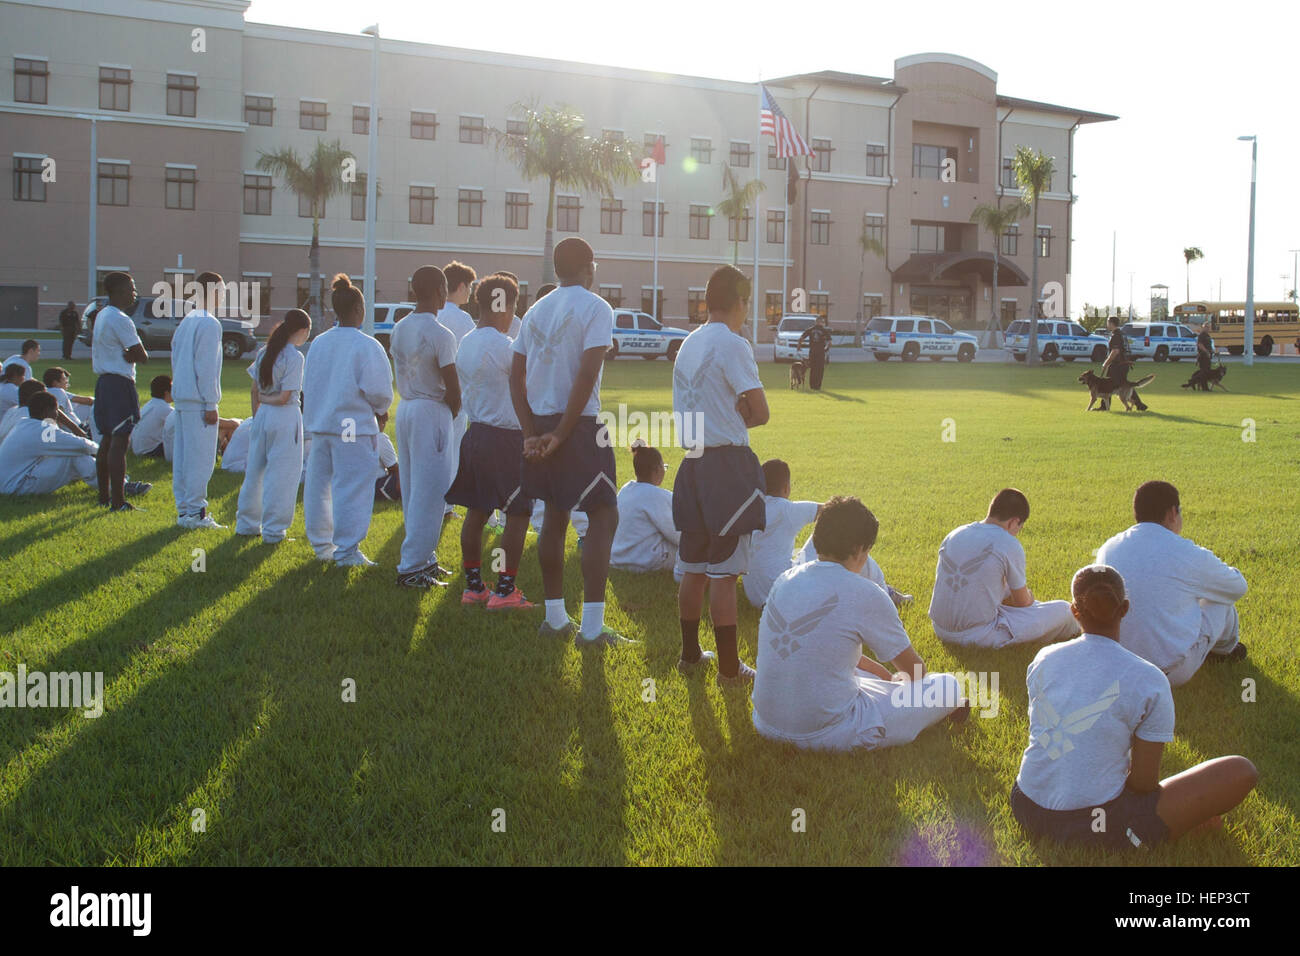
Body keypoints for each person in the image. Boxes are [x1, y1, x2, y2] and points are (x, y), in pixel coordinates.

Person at [1010, 565, 1257, 849]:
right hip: (1093, 826)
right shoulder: (1148, 678)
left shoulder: (1044, 657)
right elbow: (1143, 785)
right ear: (1125, 609)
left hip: (1026, 805)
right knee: (1241, 770)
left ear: (1074, 612)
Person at [752, 496, 967, 751]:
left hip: (766, 722)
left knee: (848, 673)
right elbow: (915, 672)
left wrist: (886, 678)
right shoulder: (864, 592)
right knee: (947, 685)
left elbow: (819, 651)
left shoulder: (785, 580)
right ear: (860, 549)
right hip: (829, 732)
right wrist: (900, 684)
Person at [510, 236, 628, 646]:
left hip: (541, 422)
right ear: (589, 267)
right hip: (579, 425)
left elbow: (515, 376)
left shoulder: (535, 310)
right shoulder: (597, 307)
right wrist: (561, 434)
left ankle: (555, 618)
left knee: (555, 515)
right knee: (604, 515)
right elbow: (586, 373)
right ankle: (592, 629)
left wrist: (530, 433)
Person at [672, 264, 770, 683]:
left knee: (694, 566)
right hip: (726, 466)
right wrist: (736, 416)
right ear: (742, 303)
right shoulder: (734, 344)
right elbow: (760, 412)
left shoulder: (687, 343)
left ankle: (690, 654)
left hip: (691, 463)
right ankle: (730, 669)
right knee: (725, 574)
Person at [1095, 481, 1248, 686]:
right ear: (1172, 513)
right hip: (1167, 672)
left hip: (1115, 665)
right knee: (1220, 601)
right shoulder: (1187, 553)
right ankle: (1225, 651)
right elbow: (1237, 587)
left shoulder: (1109, 547)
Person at [446, 273, 537, 609]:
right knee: (517, 514)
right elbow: (527, 383)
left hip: (476, 434)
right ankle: (505, 589)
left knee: (477, 510)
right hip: (504, 440)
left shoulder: (467, 340)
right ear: (503, 305)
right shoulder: (501, 346)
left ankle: (474, 587)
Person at [302, 274, 394, 566]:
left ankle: (322, 545)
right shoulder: (366, 345)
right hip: (352, 425)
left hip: (322, 425)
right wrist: (381, 411)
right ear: (358, 309)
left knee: (319, 488)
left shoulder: (318, 343)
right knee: (352, 487)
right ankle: (347, 551)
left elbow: (311, 384)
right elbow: (379, 391)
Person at [927, 488, 1079, 648]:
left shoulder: (955, 534)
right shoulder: (1008, 542)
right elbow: (1022, 603)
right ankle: (1086, 631)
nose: (1016, 533)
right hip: (979, 634)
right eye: (1019, 528)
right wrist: (1030, 598)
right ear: (1014, 522)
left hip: (940, 628)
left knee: (1002, 588)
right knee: (1065, 610)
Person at [390, 265, 461, 588]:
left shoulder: (399, 327)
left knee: (413, 486)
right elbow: (453, 388)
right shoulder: (440, 334)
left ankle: (424, 558)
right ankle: (413, 565)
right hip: (432, 410)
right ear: (438, 291)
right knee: (432, 490)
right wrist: (449, 413)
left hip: (405, 408)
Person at [236, 310, 309, 543]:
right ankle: (274, 530)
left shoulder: (264, 352)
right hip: (284, 416)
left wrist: (257, 413)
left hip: (262, 416)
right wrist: (267, 402)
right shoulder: (294, 357)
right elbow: (285, 396)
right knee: (283, 475)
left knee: (255, 471)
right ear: (302, 331)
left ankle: (247, 523)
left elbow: (254, 390)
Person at [91, 271, 150, 511]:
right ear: (117, 291)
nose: (134, 293)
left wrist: (129, 353)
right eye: (131, 288)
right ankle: (118, 502)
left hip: (104, 383)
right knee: (119, 441)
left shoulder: (102, 314)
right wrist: (132, 354)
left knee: (107, 439)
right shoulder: (120, 318)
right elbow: (142, 355)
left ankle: (104, 497)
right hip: (119, 384)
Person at [171, 271, 226, 528]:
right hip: (197, 400)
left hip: (182, 398)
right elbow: (206, 367)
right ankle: (196, 512)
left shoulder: (187, 321)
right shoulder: (209, 323)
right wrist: (210, 402)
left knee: (183, 458)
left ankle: (185, 511)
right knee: (200, 459)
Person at [743, 459, 820, 608]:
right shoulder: (787, 510)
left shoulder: (749, 508)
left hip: (755, 597)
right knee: (830, 524)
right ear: (786, 488)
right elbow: (835, 509)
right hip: (785, 594)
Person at [0, 392, 101, 496]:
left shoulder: (25, 424)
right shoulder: (42, 430)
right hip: (16, 486)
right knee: (75, 455)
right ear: (47, 411)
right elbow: (82, 445)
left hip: (9, 484)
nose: (57, 414)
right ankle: (112, 487)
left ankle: (109, 481)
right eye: (56, 410)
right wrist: (104, 451)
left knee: (69, 452)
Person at [438, 261, 477, 521]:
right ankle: (445, 507)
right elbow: (469, 357)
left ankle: (434, 505)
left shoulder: (434, 313)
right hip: (455, 394)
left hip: (428, 396)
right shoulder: (462, 319)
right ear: (461, 286)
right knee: (450, 452)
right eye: (469, 287)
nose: (470, 293)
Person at [609, 443, 680, 575]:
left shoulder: (626, 490)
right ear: (657, 469)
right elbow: (676, 534)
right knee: (693, 552)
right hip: (643, 561)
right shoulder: (654, 495)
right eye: (664, 467)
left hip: (618, 558)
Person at [1100, 315, 1148, 411]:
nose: (1107, 325)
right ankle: (1140, 405)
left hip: (1117, 365)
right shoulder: (1122, 334)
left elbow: (1115, 351)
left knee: (1107, 384)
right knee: (1125, 385)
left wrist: (1106, 363)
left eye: (1107, 323)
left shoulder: (1115, 335)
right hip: (1124, 364)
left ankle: (1104, 407)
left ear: (1111, 323)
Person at [131, 375, 173, 458]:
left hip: (136, 448)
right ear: (166, 392)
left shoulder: (149, 405)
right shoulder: (165, 409)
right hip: (150, 451)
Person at [42, 367, 94, 431]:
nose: (67, 383)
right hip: (76, 429)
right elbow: (58, 416)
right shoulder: (58, 391)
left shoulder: (45, 392)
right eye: (64, 380)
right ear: (55, 382)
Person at [796, 315, 833, 391]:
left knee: (813, 369)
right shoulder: (824, 330)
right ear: (821, 322)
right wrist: (825, 349)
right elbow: (830, 343)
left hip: (812, 352)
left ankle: (812, 386)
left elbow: (801, 338)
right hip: (820, 352)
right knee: (819, 369)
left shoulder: (810, 329)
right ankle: (817, 386)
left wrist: (799, 347)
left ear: (815, 322)